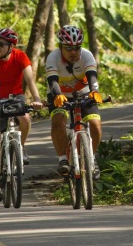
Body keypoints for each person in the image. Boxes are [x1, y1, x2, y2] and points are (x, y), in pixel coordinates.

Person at [0, 28, 43, 198]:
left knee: (25, 118)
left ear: (11, 46)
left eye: (1, 44)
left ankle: (20, 146)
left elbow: (30, 80)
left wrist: (36, 98)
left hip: (15, 97)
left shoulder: (20, 56)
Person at [45, 25, 103, 180]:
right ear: (61, 47)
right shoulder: (53, 57)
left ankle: (92, 158)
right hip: (59, 94)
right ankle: (63, 159)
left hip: (83, 93)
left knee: (95, 125)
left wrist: (94, 91)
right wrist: (58, 95)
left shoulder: (87, 55)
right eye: (68, 48)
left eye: (77, 48)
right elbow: (52, 81)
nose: (73, 52)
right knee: (58, 121)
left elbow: (92, 76)